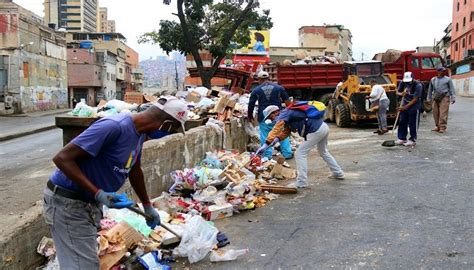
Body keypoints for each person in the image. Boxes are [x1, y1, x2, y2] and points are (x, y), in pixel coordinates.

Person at [43, 97, 188, 269]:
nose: (170, 133)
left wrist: (147, 206)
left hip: (88, 204)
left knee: (81, 262)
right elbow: (62, 158)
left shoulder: (139, 134)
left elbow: (134, 169)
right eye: (173, 130)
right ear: (166, 124)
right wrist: (98, 192)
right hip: (68, 203)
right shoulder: (113, 126)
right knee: (83, 266)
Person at [256, 101, 344, 188]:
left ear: (275, 112)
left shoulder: (284, 114)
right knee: (323, 151)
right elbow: (286, 131)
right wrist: (277, 139)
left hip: (316, 130)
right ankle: (338, 172)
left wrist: (266, 144)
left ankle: (302, 181)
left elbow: (276, 128)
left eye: (270, 117)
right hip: (323, 127)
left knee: (300, 153)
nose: (271, 120)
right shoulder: (289, 114)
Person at [248, 71, 293, 160]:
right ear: (269, 78)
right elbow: (288, 102)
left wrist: (250, 116)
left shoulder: (256, 90)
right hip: (278, 115)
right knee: (282, 133)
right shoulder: (279, 88)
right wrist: (290, 114)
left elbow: (251, 105)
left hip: (264, 116)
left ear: (259, 80)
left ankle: (267, 155)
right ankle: (287, 153)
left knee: (266, 136)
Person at [396, 72, 423, 147]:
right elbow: (397, 91)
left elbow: (415, 99)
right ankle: (402, 138)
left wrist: (405, 107)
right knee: (402, 121)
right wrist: (401, 94)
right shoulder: (402, 82)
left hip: (414, 105)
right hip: (404, 103)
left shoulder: (418, 85)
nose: (407, 82)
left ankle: (412, 139)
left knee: (413, 123)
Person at [427, 67, 456, 133]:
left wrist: (453, 98)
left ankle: (442, 127)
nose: (444, 72)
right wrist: (428, 98)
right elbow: (430, 90)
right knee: (435, 113)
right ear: (438, 72)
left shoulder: (448, 79)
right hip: (435, 97)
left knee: (443, 113)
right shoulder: (433, 79)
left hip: (445, 97)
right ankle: (437, 126)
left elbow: (452, 89)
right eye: (442, 71)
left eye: (444, 71)